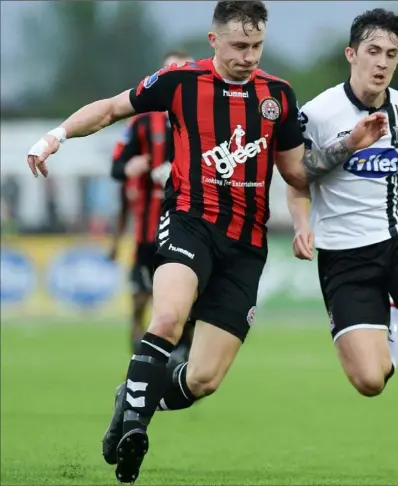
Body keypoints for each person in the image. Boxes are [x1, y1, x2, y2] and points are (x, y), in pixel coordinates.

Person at [27, 2, 388, 483]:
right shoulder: (180, 83)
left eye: (257, 46)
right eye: (239, 46)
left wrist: (349, 145)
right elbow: (112, 109)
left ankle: (134, 395)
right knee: (170, 316)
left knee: (203, 379)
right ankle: (136, 425)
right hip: (189, 223)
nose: (249, 56)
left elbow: (297, 171)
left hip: (245, 247)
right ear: (214, 41)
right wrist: (56, 135)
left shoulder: (277, 96)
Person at [287, 9, 398, 399]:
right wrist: (302, 225)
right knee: (371, 380)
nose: (382, 62)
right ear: (352, 54)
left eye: (391, 53)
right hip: (345, 256)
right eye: (374, 50)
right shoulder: (318, 114)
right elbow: (297, 177)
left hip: (394, 240)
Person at [109, 50, 194, 356]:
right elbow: (116, 167)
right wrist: (130, 166)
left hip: (188, 223)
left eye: (180, 69)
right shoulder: (142, 122)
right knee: (142, 294)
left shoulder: (203, 116)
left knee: (186, 291)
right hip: (148, 226)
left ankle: (183, 347)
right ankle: (137, 339)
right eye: (168, 70)